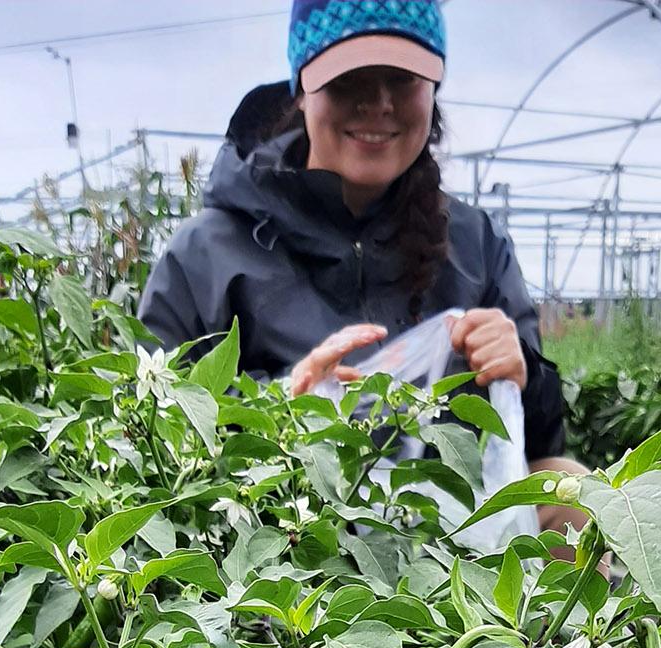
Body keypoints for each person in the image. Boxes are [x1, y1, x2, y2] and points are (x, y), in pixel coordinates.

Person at [139, 0, 584, 529]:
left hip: (447, 536)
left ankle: (524, 616)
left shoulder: (476, 244)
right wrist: (279, 409)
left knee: (575, 496)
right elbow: (157, 441)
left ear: (432, 91)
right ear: (304, 89)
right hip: (284, 536)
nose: (378, 104)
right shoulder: (206, 255)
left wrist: (522, 374)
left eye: (402, 79)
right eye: (350, 79)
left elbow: (535, 444)